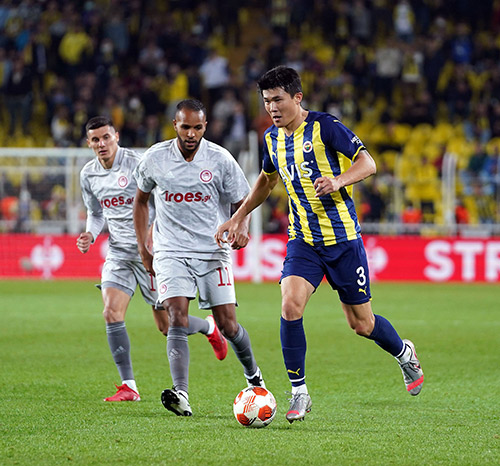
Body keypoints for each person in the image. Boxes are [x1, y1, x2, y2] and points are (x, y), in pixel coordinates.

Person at [215, 66, 424, 424]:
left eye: (278, 99)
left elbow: (368, 163)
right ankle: (299, 391)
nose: (272, 108)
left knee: (362, 324)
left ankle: (404, 353)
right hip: (303, 241)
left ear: (297, 97)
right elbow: (267, 181)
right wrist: (239, 216)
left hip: (343, 241)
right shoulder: (271, 138)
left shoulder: (325, 127)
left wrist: (338, 180)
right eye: (266, 101)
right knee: (290, 304)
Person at [77, 116, 227, 402]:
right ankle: (129, 386)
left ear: (116, 136)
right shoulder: (88, 175)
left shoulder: (138, 163)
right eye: (95, 139)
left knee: (167, 326)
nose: (101, 144)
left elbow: (161, 202)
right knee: (110, 312)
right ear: (89, 143)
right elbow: (96, 214)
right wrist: (90, 234)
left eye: (106, 137)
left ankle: (209, 327)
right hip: (119, 253)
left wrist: (151, 235)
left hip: (152, 252)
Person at [133, 99, 265, 417]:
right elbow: (140, 201)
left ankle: (254, 378)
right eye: (185, 127)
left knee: (229, 325)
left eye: (197, 127)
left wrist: (242, 225)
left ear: (205, 127)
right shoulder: (155, 158)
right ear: (174, 125)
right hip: (170, 250)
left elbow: (243, 201)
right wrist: (143, 248)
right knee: (175, 317)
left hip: (212, 250)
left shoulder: (220, 159)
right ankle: (181, 393)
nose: (191, 133)